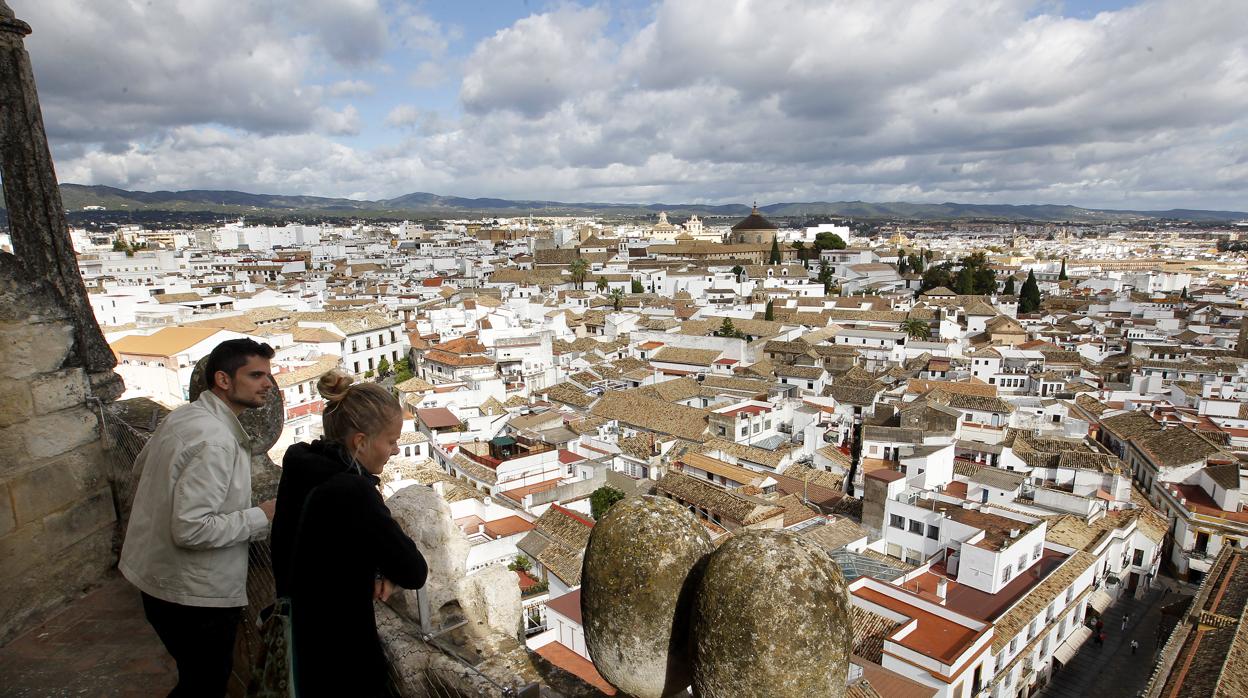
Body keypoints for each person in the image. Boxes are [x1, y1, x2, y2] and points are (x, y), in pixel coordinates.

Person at [120, 338, 278, 697]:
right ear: (223, 380)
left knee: (195, 679)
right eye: (255, 375)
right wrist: (261, 515)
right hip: (192, 597)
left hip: (157, 579)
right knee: (205, 684)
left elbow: (140, 468)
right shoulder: (216, 441)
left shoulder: (185, 416)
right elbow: (191, 529)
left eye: (267, 375)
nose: (268, 384)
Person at [271, 369, 428, 697]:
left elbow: (330, 542)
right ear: (360, 441)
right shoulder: (352, 490)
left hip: (298, 630)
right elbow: (414, 570)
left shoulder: (301, 464)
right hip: (339, 652)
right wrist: (389, 571)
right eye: (391, 440)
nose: (396, 450)